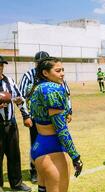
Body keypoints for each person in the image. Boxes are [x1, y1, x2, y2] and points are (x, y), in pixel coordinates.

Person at [30, 57, 83, 192]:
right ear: (45, 73)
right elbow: (61, 129)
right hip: (52, 149)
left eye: (63, 70)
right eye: (58, 70)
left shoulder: (37, 87)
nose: (62, 73)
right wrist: (75, 156)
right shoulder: (53, 89)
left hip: (39, 145)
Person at [18, 51, 73, 183]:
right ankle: (35, 171)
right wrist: (26, 115)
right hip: (37, 118)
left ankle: (53, 166)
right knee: (37, 142)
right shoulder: (28, 76)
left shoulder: (55, 74)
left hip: (55, 117)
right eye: (39, 62)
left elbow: (67, 93)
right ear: (36, 63)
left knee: (56, 140)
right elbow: (22, 97)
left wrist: (69, 111)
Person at [0, 55, 32, 192]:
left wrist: (25, 115)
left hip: (11, 124)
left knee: (14, 155)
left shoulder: (10, 81)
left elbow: (20, 99)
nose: (0, 67)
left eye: (1, 65)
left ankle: (17, 183)